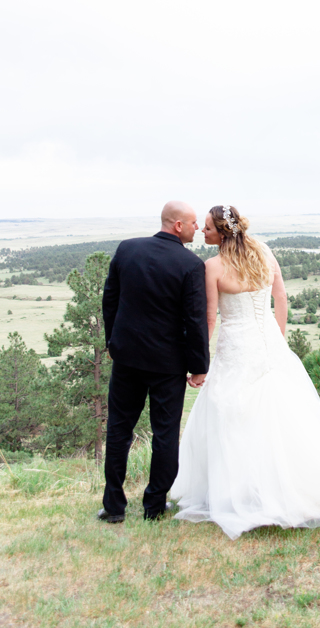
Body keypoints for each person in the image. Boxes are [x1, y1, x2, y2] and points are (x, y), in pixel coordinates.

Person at [170, 205, 320, 539]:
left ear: (222, 232)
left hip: (237, 346)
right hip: (268, 341)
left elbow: (210, 319)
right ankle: (275, 486)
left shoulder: (212, 266)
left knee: (232, 414)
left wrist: (198, 363)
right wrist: (279, 338)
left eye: (209, 228)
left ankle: (244, 492)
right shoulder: (264, 254)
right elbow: (281, 297)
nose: (203, 231)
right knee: (283, 413)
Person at [98, 201, 209, 522]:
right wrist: (199, 364)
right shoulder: (190, 264)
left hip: (127, 358)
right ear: (177, 225)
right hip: (167, 364)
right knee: (164, 434)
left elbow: (110, 299)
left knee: (119, 430)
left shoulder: (127, 249)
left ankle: (114, 507)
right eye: (192, 223)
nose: (197, 228)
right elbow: (194, 320)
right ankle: (154, 506)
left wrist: (111, 342)